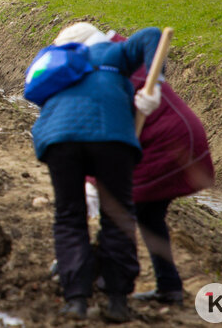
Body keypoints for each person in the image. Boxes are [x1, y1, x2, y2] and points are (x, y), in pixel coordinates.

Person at [31, 22, 162, 323]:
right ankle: (116, 301)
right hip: (111, 136)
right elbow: (153, 35)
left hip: (59, 139)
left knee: (69, 215)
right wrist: (155, 85)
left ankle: (76, 300)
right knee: (117, 215)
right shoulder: (113, 52)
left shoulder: (58, 64)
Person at [101, 31, 215, 306]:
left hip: (166, 146)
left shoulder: (112, 74)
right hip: (179, 138)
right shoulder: (126, 63)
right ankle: (169, 287)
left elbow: (107, 140)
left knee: (123, 210)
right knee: (148, 216)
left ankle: (110, 282)